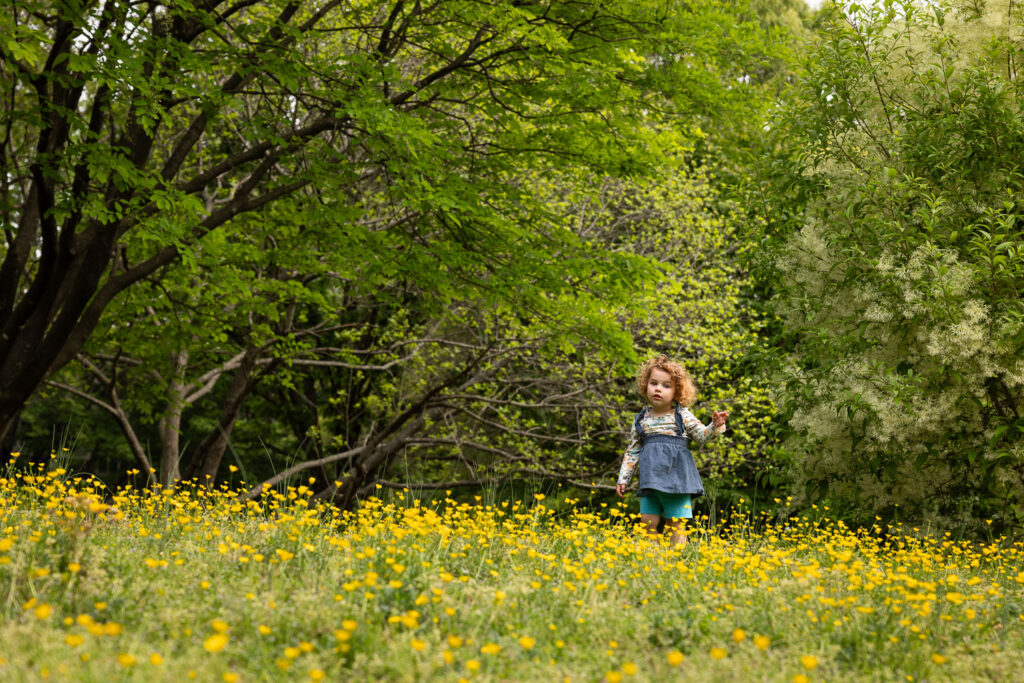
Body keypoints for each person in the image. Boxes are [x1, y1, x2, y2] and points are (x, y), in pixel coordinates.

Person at [615, 355, 728, 545]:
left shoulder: (681, 414)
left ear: (677, 391)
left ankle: (677, 559)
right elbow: (632, 451)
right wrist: (623, 478)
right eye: (654, 383)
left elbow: (701, 435)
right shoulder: (641, 419)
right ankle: (651, 558)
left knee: (675, 523)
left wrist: (715, 425)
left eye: (666, 385)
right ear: (645, 385)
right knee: (647, 522)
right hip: (651, 480)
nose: (658, 388)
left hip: (678, 480)